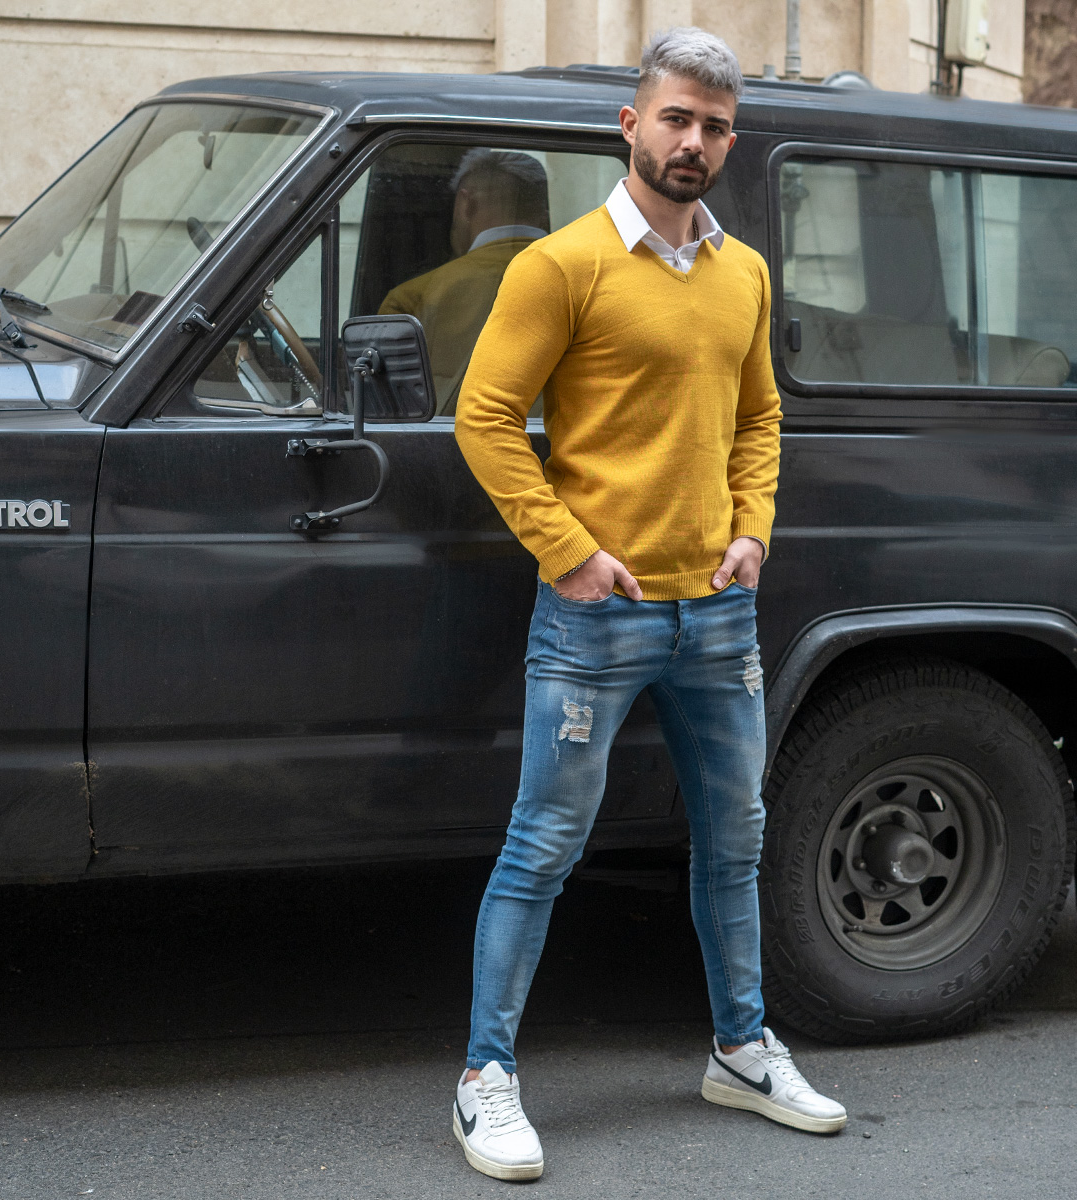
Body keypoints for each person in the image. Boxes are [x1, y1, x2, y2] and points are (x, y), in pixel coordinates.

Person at [451, 27, 847, 1182]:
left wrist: (753, 527)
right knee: (542, 846)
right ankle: (484, 1079)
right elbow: (485, 418)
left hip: (716, 615)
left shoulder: (744, 273)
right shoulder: (561, 265)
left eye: (716, 126)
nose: (695, 142)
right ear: (631, 124)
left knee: (736, 841)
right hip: (595, 616)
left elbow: (760, 415)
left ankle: (741, 1050)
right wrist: (569, 552)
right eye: (677, 118)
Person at [379, 148, 550, 414]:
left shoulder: (410, 300)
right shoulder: (588, 285)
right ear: (544, 212)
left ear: (465, 204)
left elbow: (387, 412)